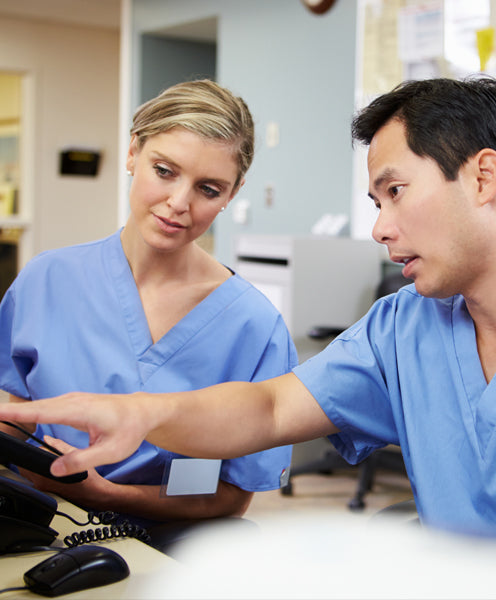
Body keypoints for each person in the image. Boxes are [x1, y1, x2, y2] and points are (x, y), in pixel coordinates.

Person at [1, 76, 496, 541]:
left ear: (482, 176)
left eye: (395, 192)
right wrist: (142, 413)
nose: (379, 229)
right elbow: (268, 406)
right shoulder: (403, 327)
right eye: (375, 201)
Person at [0, 80, 296, 531]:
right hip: (37, 523)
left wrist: (103, 495)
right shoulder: (47, 280)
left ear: (231, 195)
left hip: (172, 542)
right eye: (164, 170)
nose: (179, 203)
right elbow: (11, 426)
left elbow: (231, 496)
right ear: (133, 152)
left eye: (209, 189)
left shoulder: (253, 326)